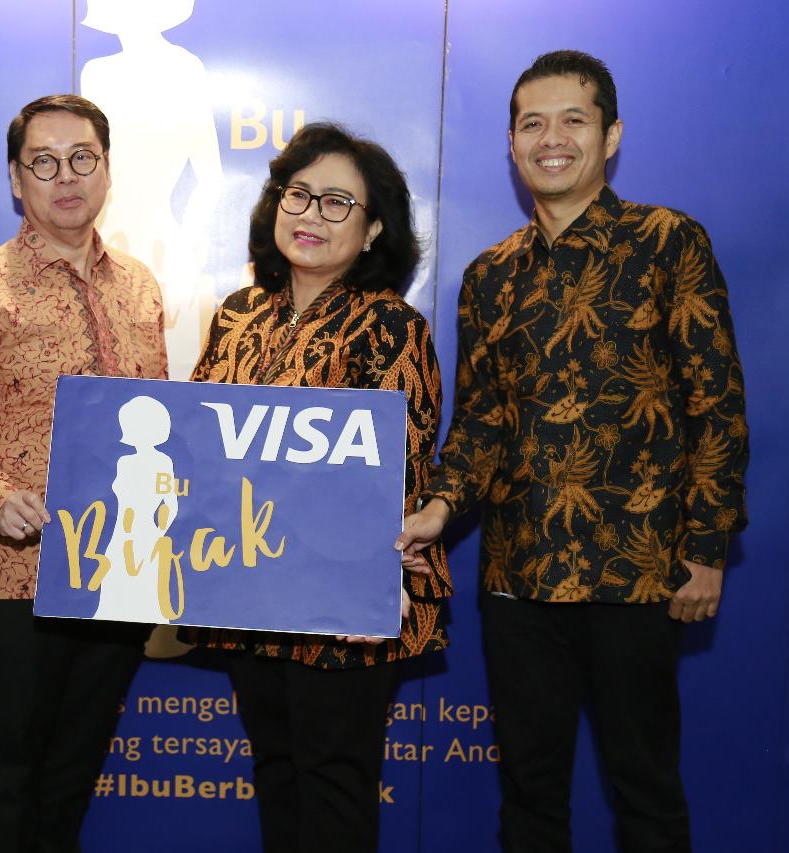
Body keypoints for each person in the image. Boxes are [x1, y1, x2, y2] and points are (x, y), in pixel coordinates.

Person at [397, 50, 749, 852]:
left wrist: (706, 547)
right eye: (532, 123)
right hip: (518, 579)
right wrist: (439, 509)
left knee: (646, 792)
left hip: (640, 571)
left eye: (573, 120)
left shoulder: (667, 242)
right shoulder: (489, 276)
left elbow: (716, 403)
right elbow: (481, 422)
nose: (550, 139)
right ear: (512, 143)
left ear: (611, 135)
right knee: (528, 798)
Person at [190, 122, 451, 853]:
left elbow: (402, 464)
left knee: (334, 781)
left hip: (344, 597)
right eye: (298, 194)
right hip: (248, 584)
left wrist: (372, 579)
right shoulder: (239, 314)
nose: (311, 214)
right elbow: (200, 440)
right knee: (276, 771)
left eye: (338, 203)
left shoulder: (391, 325)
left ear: (374, 230)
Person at [0, 94, 168, 852]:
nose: (66, 176)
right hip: (19, 570)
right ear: (16, 178)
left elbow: (162, 414)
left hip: (120, 568)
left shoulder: (139, 286)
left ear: (107, 169)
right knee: (9, 769)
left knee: (75, 767)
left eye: (82, 158)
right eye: (44, 161)